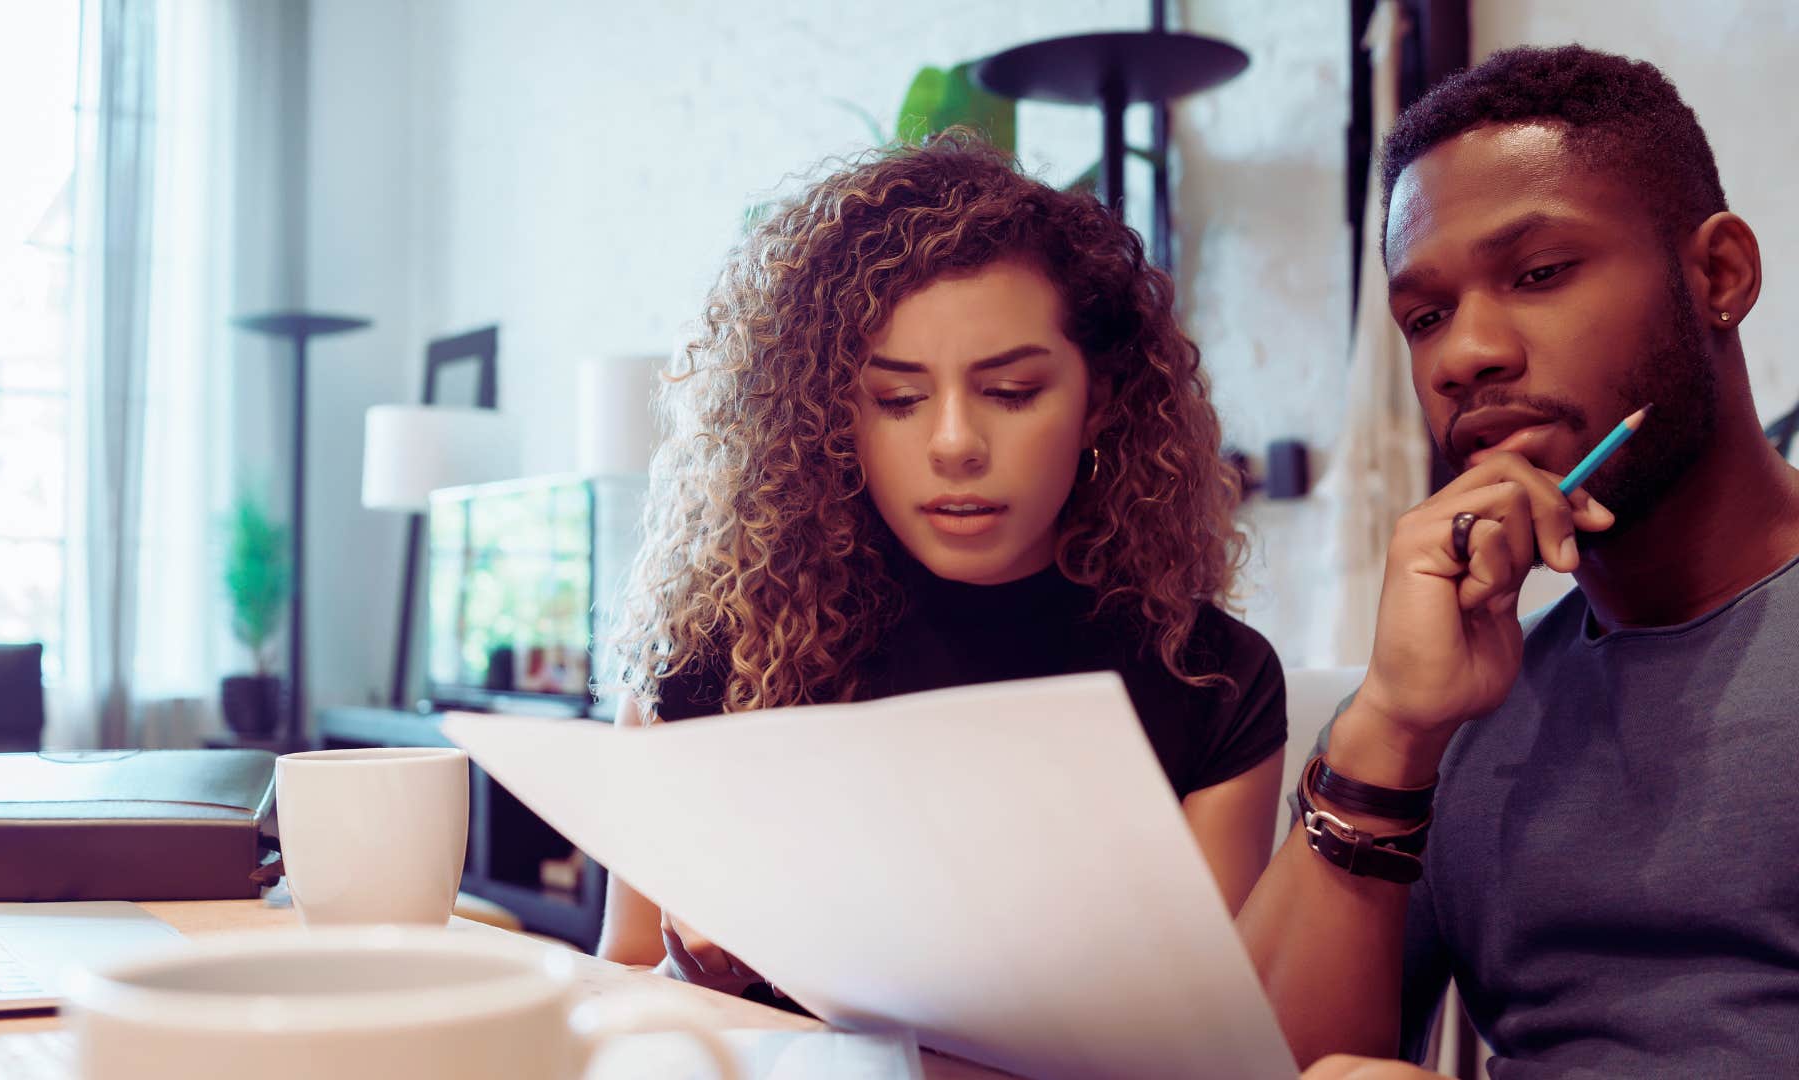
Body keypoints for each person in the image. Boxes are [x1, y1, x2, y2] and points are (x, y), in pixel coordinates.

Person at [595, 132, 1289, 997]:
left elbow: (1208, 1027)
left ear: (1099, 402)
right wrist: (694, 966)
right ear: (830, 418)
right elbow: (623, 979)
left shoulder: (1210, 679)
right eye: (898, 400)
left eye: (1010, 392)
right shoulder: (717, 653)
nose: (956, 444)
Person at [1237, 46, 1799, 1079]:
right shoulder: (1465, 700)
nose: (1463, 357)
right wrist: (1389, 731)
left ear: (1718, 275)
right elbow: (1253, 1067)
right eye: (1425, 317)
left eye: (1538, 274)